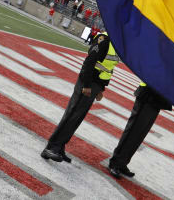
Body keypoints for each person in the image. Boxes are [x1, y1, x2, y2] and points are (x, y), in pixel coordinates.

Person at [41, 32, 120, 162]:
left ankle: (59, 146)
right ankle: (51, 147)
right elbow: (90, 62)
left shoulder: (116, 43)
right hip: (88, 83)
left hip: (96, 84)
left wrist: (101, 89)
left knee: (77, 118)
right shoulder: (104, 39)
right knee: (72, 115)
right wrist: (87, 85)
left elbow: (108, 68)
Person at [108, 82, 171, 178]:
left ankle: (122, 162)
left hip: (157, 99)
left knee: (140, 135)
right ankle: (115, 162)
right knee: (133, 131)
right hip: (148, 95)